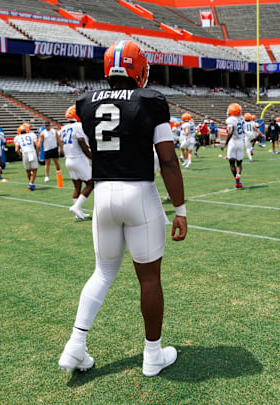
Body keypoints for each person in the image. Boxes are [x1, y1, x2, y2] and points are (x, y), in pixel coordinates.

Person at [59, 39, 187, 378]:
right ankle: (152, 355)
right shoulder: (150, 100)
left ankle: (75, 345)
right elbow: (169, 160)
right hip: (139, 194)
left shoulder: (85, 102)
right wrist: (181, 209)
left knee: (102, 273)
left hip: (103, 194)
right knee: (148, 278)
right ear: (138, 68)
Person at [61, 105, 93, 219]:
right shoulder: (78, 126)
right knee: (91, 183)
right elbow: (81, 141)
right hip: (78, 158)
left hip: (68, 159)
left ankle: (78, 213)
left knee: (77, 186)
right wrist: (91, 157)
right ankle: (77, 207)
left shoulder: (63, 128)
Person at [221, 103, 246, 188]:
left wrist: (225, 143)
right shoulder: (242, 118)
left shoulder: (231, 119)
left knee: (232, 163)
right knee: (239, 163)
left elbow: (231, 131)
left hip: (233, 142)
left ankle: (237, 181)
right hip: (241, 142)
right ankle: (238, 177)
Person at [15, 123, 40, 190]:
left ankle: (31, 183)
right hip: (31, 152)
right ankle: (31, 184)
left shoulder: (17, 137)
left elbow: (16, 150)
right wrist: (37, 152)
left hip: (25, 153)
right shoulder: (32, 135)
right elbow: (37, 145)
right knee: (34, 170)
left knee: (28, 170)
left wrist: (21, 155)